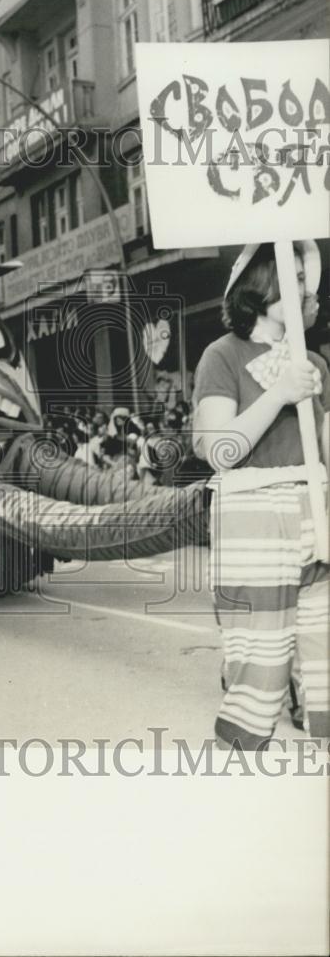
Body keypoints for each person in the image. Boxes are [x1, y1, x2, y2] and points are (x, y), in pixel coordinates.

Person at [192, 240, 329, 750]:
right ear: (259, 285)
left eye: (303, 276)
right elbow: (217, 448)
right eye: (290, 276)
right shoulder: (220, 356)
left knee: (324, 641)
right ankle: (243, 756)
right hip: (253, 516)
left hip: (315, 508)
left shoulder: (313, 360)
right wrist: (279, 393)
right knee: (262, 646)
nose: (304, 288)